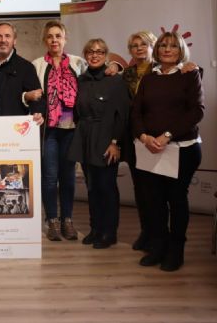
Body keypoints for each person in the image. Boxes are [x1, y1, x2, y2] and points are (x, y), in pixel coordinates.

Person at [132, 31, 203, 272]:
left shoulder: (190, 74)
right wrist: (144, 136)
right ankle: (158, 246)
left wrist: (166, 136)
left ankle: (176, 250)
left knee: (176, 200)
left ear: (181, 50)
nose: (167, 49)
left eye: (173, 46)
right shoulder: (149, 78)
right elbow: (136, 112)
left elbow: (196, 111)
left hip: (182, 149)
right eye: (163, 45)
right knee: (154, 201)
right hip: (149, 148)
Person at [68, 39, 130, 249]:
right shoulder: (81, 79)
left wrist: (115, 142)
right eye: (90, 52)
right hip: (85, 136)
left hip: (106, 138)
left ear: (106, 55)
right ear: (85, 55)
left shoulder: (116, 80)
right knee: (92, 187)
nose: (95, 55)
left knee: (106, 187)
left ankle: (109, 232)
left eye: (100, 52)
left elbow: (122, 115)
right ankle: (95, 229)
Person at [30, 21, 86, 242]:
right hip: (49, 130)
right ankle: (52, 220)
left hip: (71, 129)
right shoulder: (37, 65)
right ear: (45, 40)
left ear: (65, 39)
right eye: (50, 36)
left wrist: (116, 67)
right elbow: (30, 93)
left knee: (68, 177)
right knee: (50, 177)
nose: (54, 40)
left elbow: (98, 74)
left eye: (58, 36)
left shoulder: (78, 62)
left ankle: (67, 220)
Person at [0, 22, 44, 120]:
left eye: (7, 36)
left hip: (15, 126)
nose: (3, 40)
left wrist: (38, 113)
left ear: (14, 40)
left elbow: (37, 97)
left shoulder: (26, 67)